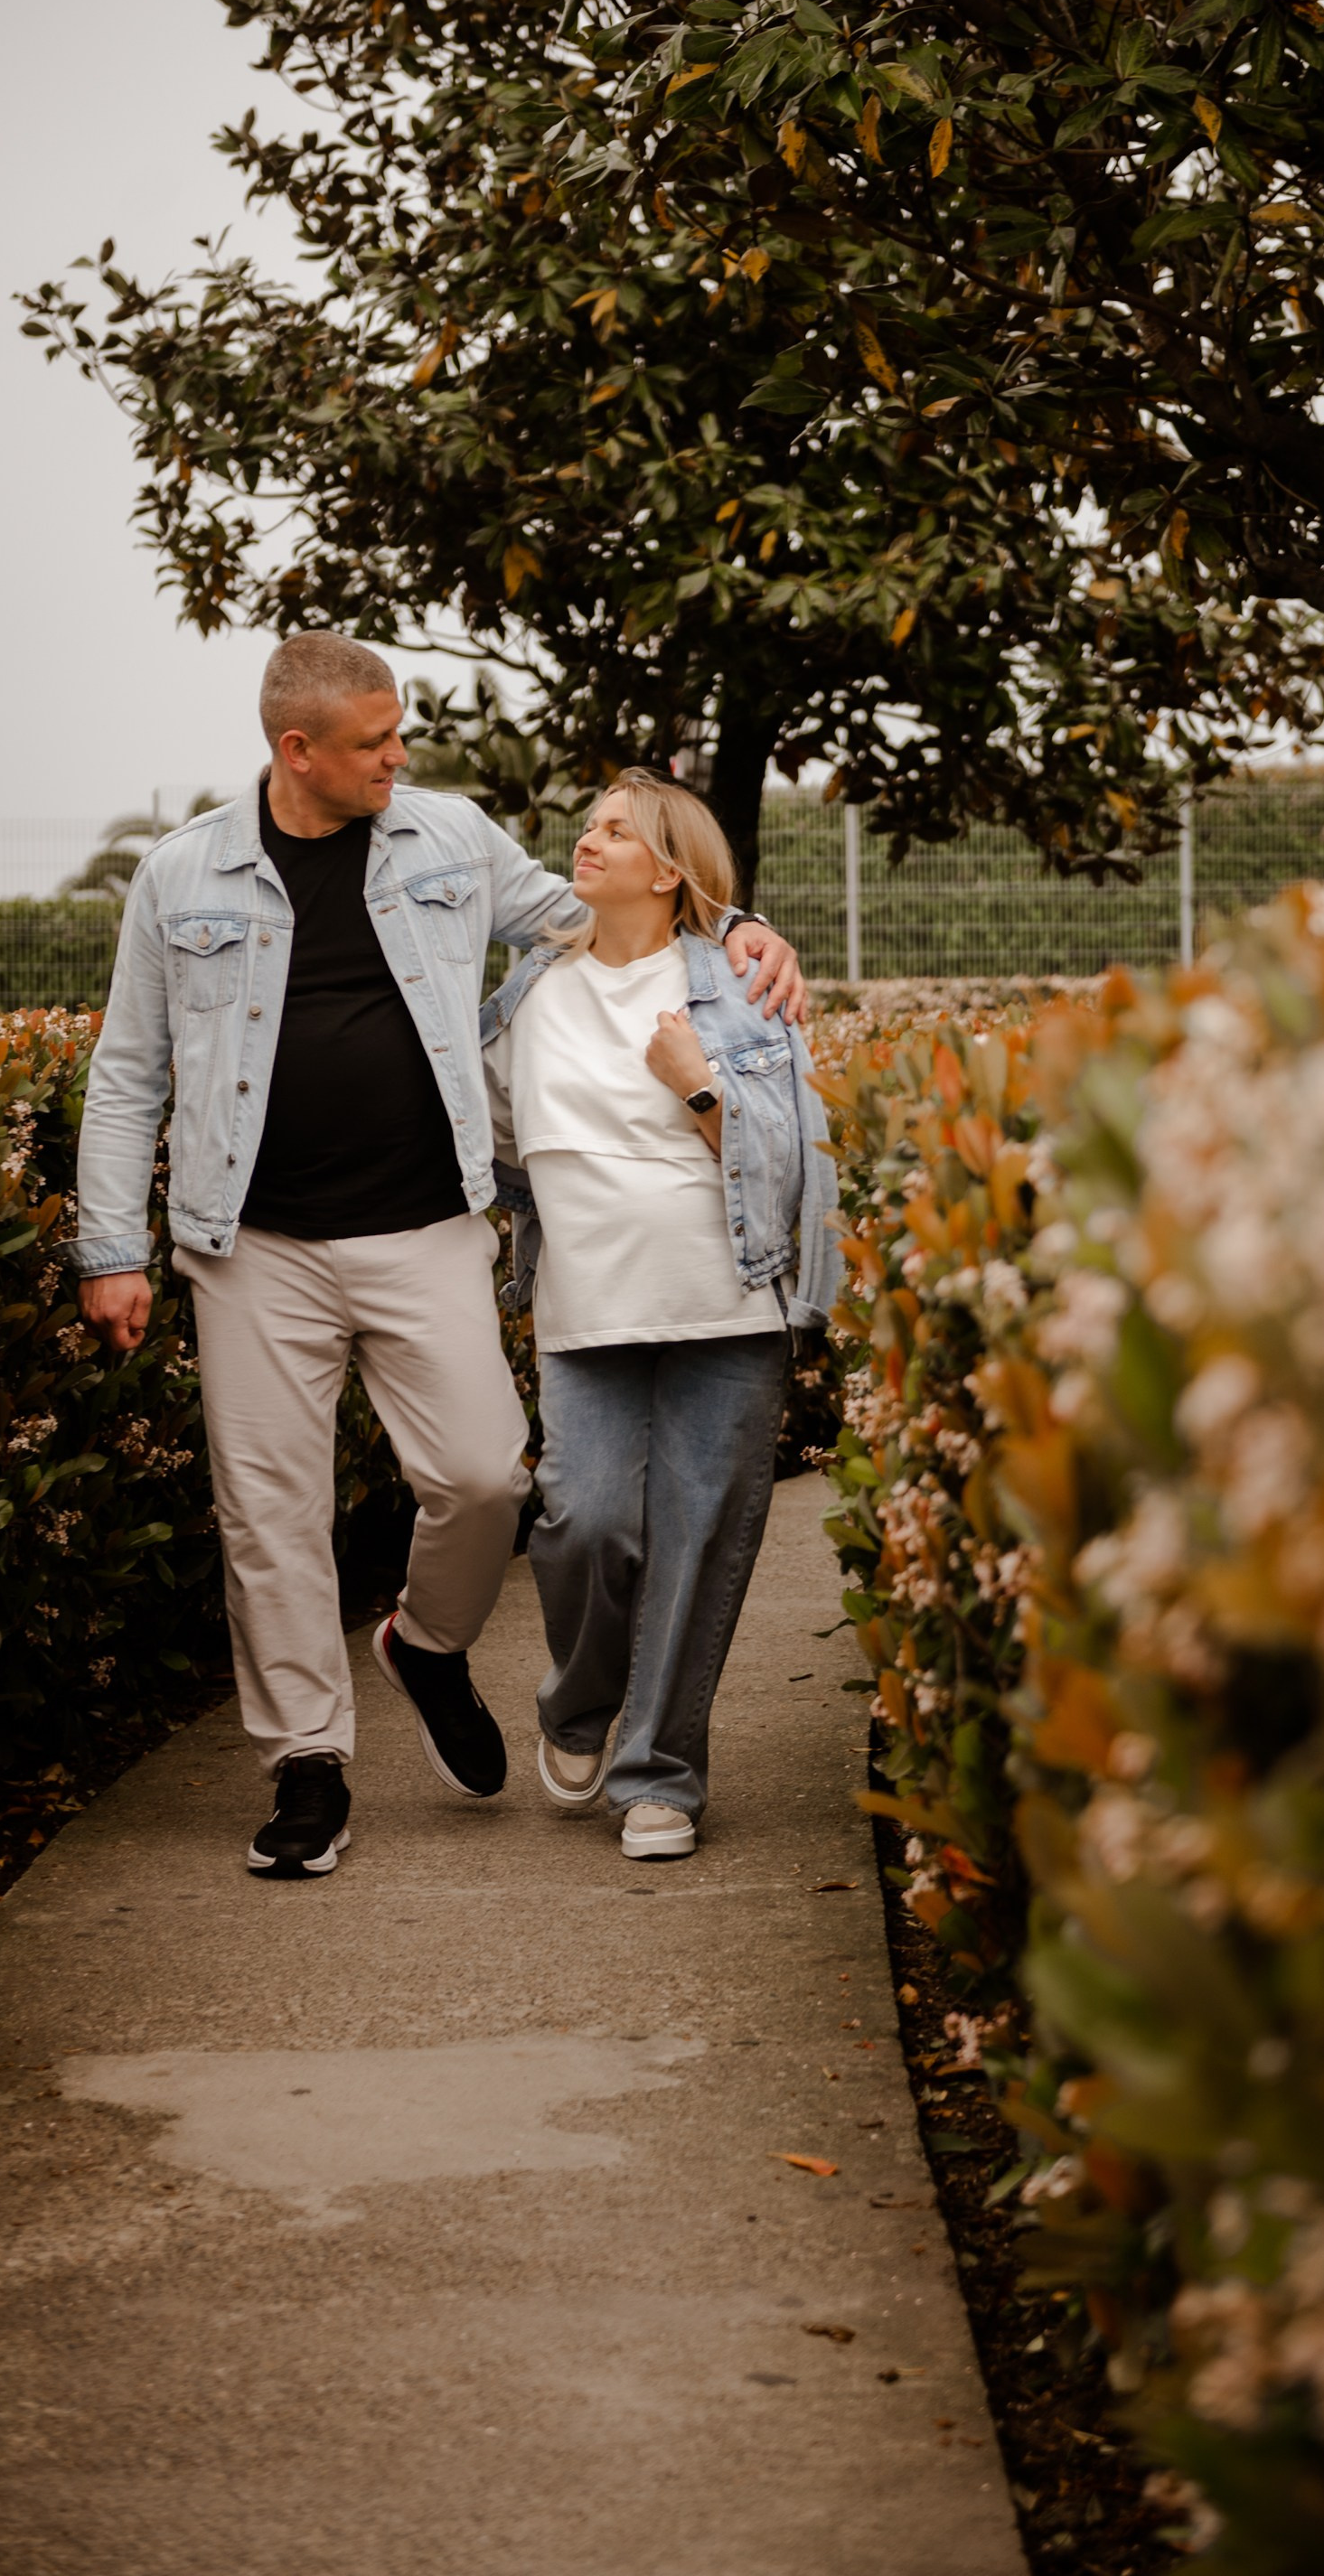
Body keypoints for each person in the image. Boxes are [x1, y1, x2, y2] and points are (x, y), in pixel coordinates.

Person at [70, 634, 804, 1879]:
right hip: (249, 1246)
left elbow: (605, 909)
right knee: (272, 1518)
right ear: (296, 750)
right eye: (373, 743)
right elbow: (129, 1067)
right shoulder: (182, 873)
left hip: (425, 1226)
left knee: (486, 1482)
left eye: (397, 733)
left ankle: (429, 1643)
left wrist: (745, 929)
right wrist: (108, 1247)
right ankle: (308, 1770)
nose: (397, 757)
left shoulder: (449, 839)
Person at [481, 769, 839, 1859]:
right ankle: (581, 1704)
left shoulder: (734, 990)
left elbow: (788, 1171)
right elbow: (485, 1139)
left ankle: (661, 1778)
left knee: (699, 1545)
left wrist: (700, 1089)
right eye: (585, 826)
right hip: (584, 1306)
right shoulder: (532, 987)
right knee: (580, 1522)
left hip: (724, 1302)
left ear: (670, 869)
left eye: (614, 832)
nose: (584, 843)